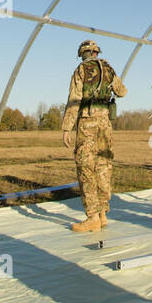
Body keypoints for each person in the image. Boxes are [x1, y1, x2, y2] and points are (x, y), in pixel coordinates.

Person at [61, 40, 127, 232]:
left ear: (82, 53)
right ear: (97, 52)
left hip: (87, 123)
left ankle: (92, 217)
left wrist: (67, 127)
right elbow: (122, 91)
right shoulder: (109, 69)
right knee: (103, 166)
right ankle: (103, 213)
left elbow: (74, 99)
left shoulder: (81, 70)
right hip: (105, 124)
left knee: (86, 167)